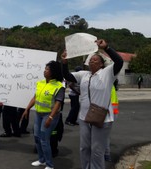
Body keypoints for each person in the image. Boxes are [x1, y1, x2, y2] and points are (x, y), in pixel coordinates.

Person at [61, 39, 123, 169]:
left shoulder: (107, 73)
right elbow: (67, 75)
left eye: (95, 60)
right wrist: (64, 62)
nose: (92, 61)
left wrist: (106, 48)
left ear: (101, 64)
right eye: (91, 60)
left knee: (97, 150)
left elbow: (119, 61)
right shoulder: (83, 75)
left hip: (102, 118)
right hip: (84, 118)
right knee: (84, 147)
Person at [21, 60, 65, 169]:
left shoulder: (59, 86)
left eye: (47, 69)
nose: (44, 71)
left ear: (53, 72)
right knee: (36, 137)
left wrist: (50, 117)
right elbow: (35, 97)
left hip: (49, 115)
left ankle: (49, 165)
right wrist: (27, 109)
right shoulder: (41, 83)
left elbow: (58, 103)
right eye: (45, 69)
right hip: (38, 114)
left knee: (44, 140)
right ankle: (41, 160)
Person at [105, 80, 119, 162]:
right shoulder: (112, 87)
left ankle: (106, 154)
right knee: (106, 135)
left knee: (104, 135)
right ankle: (106, 154)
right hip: (112, 114)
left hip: (108, 114)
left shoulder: (107, 86)